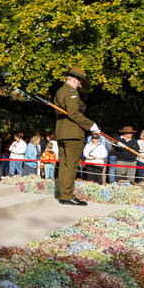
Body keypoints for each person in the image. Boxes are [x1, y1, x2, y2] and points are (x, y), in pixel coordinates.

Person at [54, 67, 99, 205]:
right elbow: (73, 113)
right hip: (73, 134)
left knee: (64, 165)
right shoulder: (72, 92)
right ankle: (67, 196)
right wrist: (91, 125)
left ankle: (63, 194)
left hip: (62, 133)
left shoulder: (60, 91)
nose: (80, 86)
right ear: (75, 80)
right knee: (71, 165)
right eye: (80, 83)